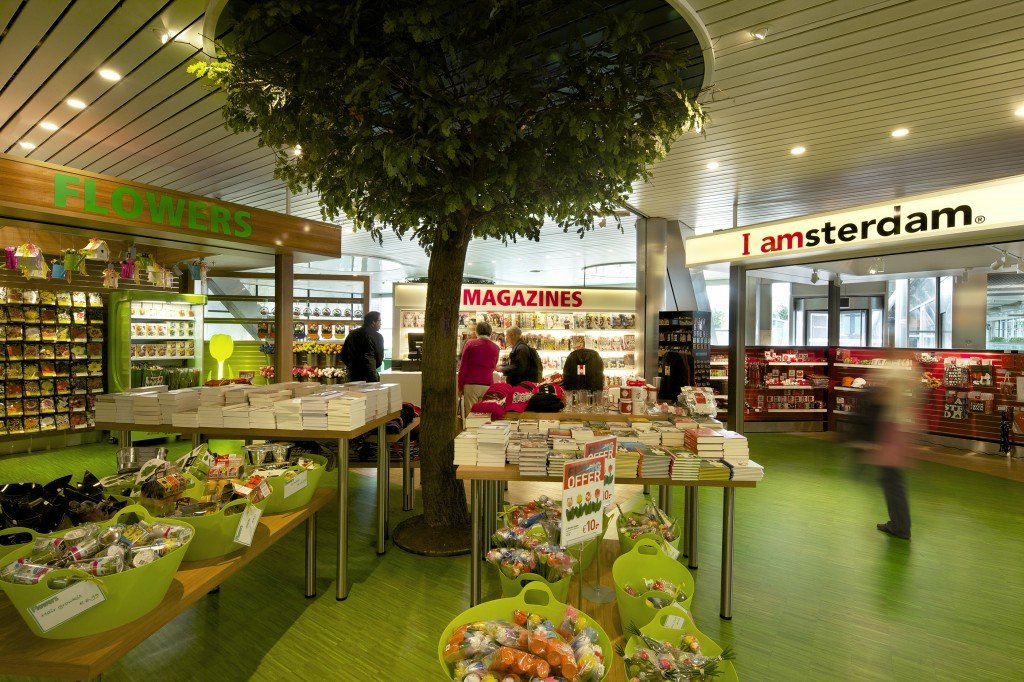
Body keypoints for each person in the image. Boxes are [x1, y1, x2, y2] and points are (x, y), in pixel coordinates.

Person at [852, 362, 913, 540]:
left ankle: (900, 527)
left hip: (889, 437)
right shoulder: (898, 383)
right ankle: (899, 524)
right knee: (892, 482)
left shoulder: (891, 390)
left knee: (892, 482)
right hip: (893, 437)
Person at [458, 320, 499, 409]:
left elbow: (463, 366)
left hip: (471, 384)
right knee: (485, 415)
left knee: (470, 415)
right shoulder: (496, 348)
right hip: (488, 384)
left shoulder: (470, 344)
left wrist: (460, 386)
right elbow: (493, 365)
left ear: (477, 331)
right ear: (490, 332)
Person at [340, 310, 384, 382]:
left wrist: (352, 366)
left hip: (353, 375)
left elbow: (343, 355)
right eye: (379, 321)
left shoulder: (352, 334)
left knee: (354, 393)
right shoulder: (377, 336)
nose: (381, 324)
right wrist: (371, 367)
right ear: (373, 322)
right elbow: (379, 359)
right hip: (370, 376)